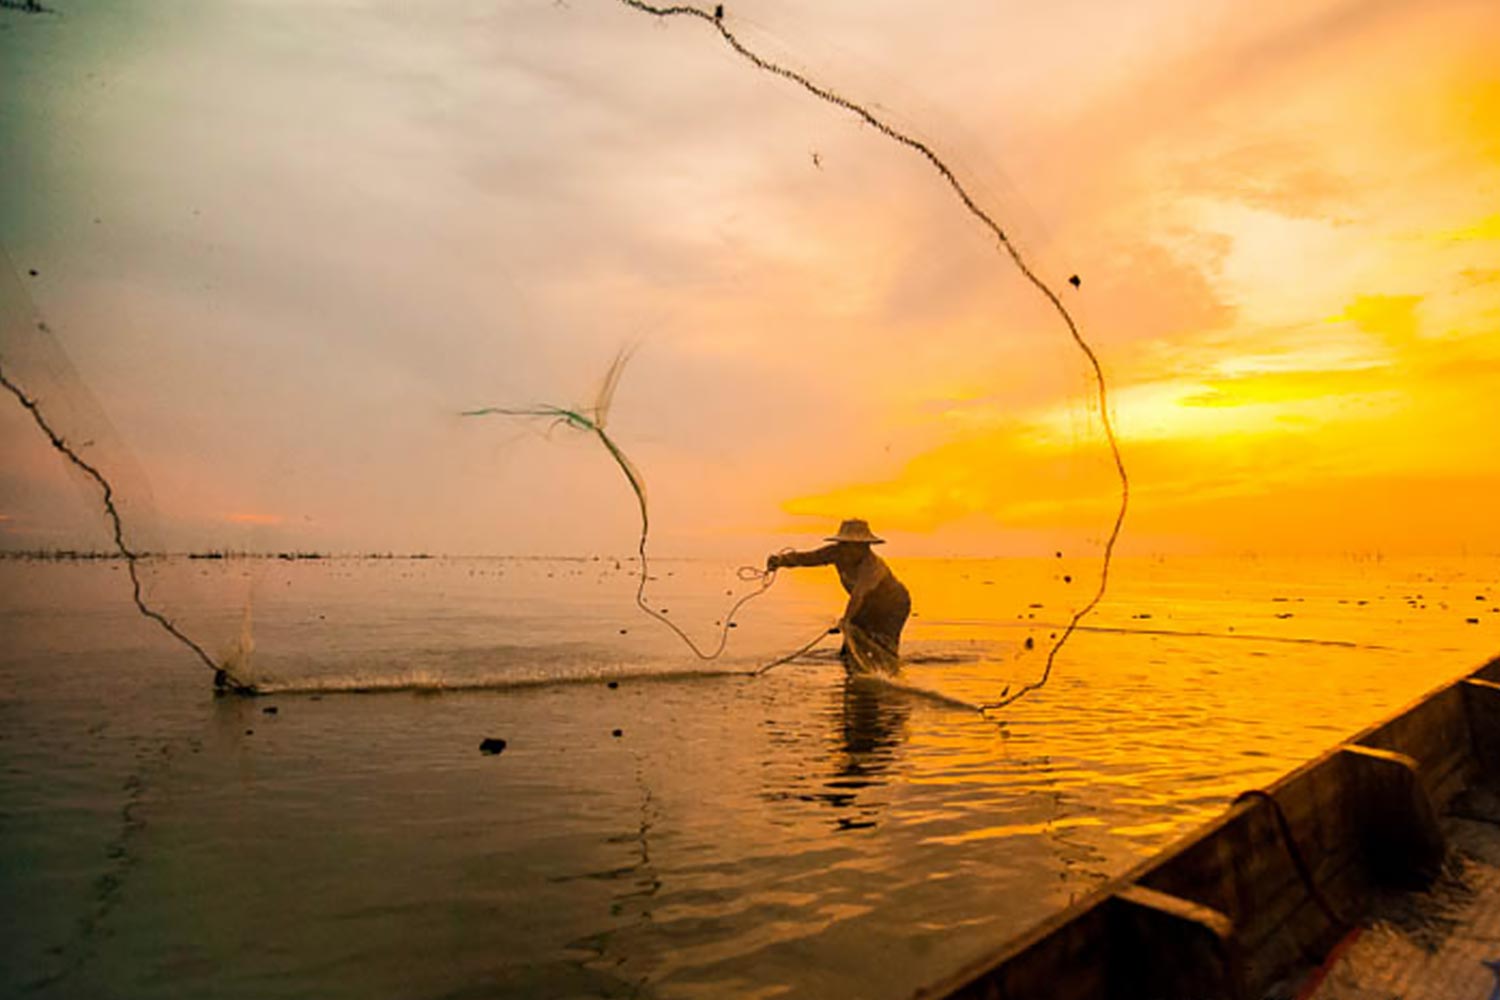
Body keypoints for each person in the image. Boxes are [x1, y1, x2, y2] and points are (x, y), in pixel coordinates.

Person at [767, 519, 911, 674]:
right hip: (866, 604)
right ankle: (852, 678)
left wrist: (846, 619)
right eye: (844, 544)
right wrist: (781, 561)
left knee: (884, 645)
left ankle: (889, 677)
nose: (847, 550)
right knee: (850, 646)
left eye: (853, 546)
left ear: (865, 547)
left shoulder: (872, 566)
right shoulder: (835, 552)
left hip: (894, 604)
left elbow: (858, 595)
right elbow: (808, 558)